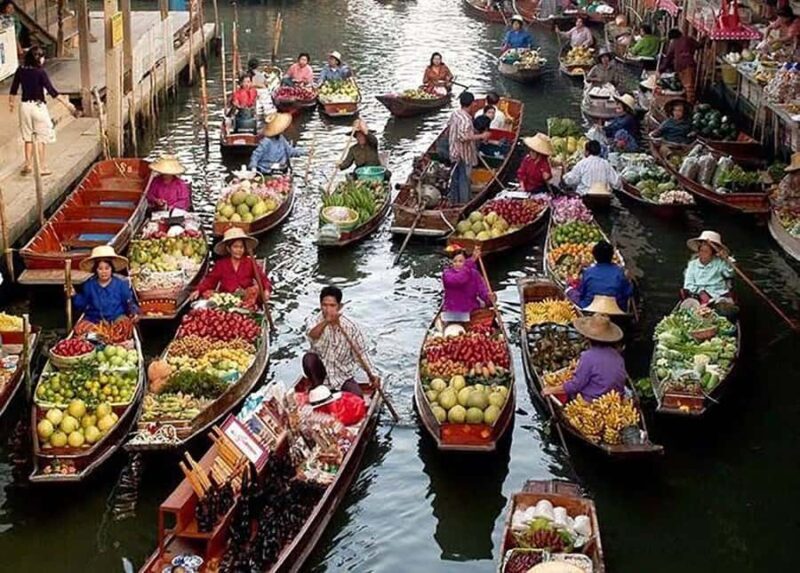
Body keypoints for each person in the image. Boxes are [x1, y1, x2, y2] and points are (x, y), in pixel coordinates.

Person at [8, 46, 76, 176]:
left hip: (24, 107)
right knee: (41, 138)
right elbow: (52, 91)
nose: (44, 59)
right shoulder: (40, 72)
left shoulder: (20, 70)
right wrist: (67, 104)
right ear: (38, 59)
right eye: (42, 57)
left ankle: (28, 164)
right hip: (38, 107)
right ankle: (42, 167)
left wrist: (11, 103)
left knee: (28, 138)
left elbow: (13, 89)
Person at [304, 285, 378, 397]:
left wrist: (372, 374)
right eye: (324, 305)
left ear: (339, 306)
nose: (328, 309)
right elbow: (312, 335)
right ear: (320, 305)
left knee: (357, 398)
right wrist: (326, 322)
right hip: (322, 375)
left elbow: (361, 353)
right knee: (308, 359)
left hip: (342, 376)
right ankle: (318, 387)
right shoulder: (313, 320)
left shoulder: (350, 327)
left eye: (332, 305)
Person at [542, 314, 626, 401]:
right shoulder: (618, 356)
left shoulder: (588, 357)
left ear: (587, 337)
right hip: (616, 399)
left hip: (593, 402)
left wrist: (550, 390)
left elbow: (575, 385)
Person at [191, 227, 271, 305]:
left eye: (241, 247)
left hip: (246, 297)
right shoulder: (221, 264)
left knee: (255, 289)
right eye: (235, 247)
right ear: (229, 249)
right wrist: (199, 290)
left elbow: (262, 278)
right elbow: (210, 280)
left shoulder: (250, 262)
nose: (239, 250)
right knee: (207, 293)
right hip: (227, 298)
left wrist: (266, 290)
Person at [73, 246, 140, 325]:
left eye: (107, 268)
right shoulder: (89, 285)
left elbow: (129, 302)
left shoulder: (121, 285)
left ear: (112, 269)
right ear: (96, 270)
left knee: (124, 325)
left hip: (116, 319)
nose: (104, 272)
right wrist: (73, 295)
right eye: (100, 269)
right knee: (82, 328)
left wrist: (134, 312)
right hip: (94, 321)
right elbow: (82, 304)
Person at [447, 91, 490, 204]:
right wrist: (482, 135)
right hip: (463, 155)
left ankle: (454, 201)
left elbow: (450, 130)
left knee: (455, 180)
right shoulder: (465, 120)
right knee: (464, 180)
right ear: (471, 104)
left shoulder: (455, 114)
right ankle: (463, 203)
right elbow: (463, 137)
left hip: (453, 151)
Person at [570, 240, 633, 311]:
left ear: (595, 256)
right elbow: (628, 292)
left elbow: (582, 293)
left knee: (570, 290)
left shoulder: (588, 272)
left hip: (590, 307)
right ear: (612, 255)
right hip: (616, 309)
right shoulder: (620, 272)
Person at [442, 245, 493, 323]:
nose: (457, 264)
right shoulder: (447, 275)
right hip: (452, 314)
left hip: (471, 311)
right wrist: (472, 260)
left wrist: (490, 298)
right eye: (455, 261)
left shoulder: (474, 274)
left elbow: (483, 292)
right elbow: (459, 280)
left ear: (465, 262)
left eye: (460, 261)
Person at [681, 231, 734, 305]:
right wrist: (701, 292)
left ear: (713, 253)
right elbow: (688, 285)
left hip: (718, 294)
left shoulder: (720, 262)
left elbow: (730, 274)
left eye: (706, 252)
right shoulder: (692, 264)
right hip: (697, 295)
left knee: (724, 306)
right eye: (701, 251)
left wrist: (727, 260)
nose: (702, 254)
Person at [659, 28, 699, 103]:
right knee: (689, 86)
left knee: (686, 85)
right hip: (688, 64)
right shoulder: (688, 39)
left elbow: (668, 57)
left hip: (680, 66)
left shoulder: (674, 43)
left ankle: (688, 103)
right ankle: (689, 102)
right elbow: (698, 45)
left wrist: (661, 69)